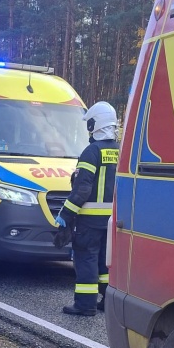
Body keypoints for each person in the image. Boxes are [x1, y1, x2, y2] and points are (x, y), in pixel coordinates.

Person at [55, 101, 119, 316]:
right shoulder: (120, 150)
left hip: (90, 220)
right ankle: (107, 301)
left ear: (95, 124)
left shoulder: (92, 151)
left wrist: (65, 214)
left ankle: (85, 305)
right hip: (112, 221)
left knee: (86, 260)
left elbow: (82, 189)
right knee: (105, 263)